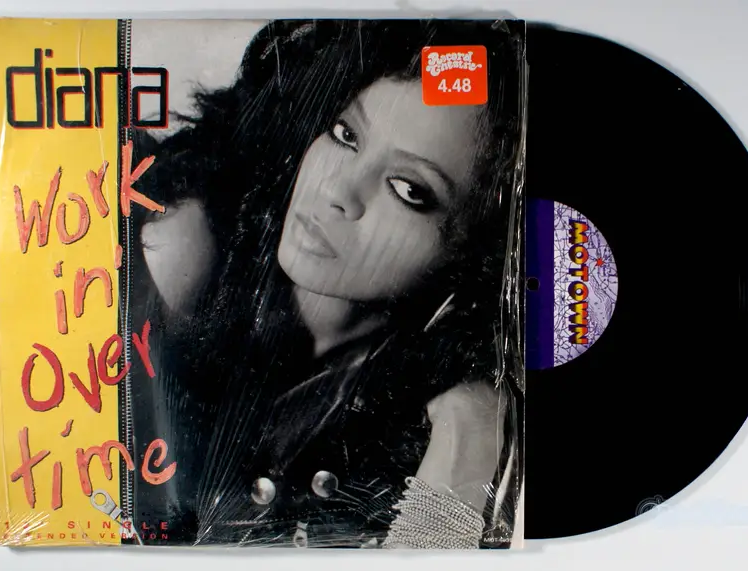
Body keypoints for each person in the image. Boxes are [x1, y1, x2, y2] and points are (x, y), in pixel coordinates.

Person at [126, 19, 525, 549]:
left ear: (473, 249)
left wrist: (473, 435)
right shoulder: (183, 240)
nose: (339, 191)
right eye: (346, 135)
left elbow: (427, 553)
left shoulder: (456, 396)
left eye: (408, 189)